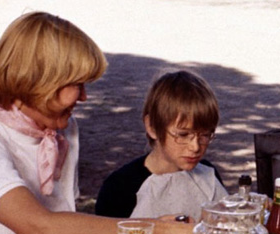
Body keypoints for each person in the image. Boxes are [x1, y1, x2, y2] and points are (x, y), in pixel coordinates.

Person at [0, 12, 192, 234]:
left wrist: (151, 231)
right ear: (37, 81)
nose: (83, 97)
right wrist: (154, 230)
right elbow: (41, 229)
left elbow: (62, 225)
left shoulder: (62, 131)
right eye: (76, 84)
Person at [95, 70, 227, 222]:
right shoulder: (120, 188)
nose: (195, 147)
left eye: (205, 135)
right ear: (152, 127)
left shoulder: (208, 176)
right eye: (183, 135)